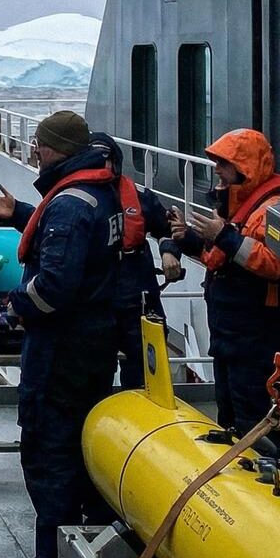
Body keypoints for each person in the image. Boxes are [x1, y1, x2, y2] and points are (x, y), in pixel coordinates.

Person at [0, 110, 120, 558]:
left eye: (38, 145)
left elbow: (55, 284)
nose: (34, 152)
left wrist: (17, 306)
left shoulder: (71, 204)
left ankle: (53, 550)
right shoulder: (101, 192)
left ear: (54, 149)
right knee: (86, 455)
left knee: (50, 461)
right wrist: (19, 212)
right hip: (93, 349)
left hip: (60, 357)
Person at [172, 128, 280, 461]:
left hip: (260, 335)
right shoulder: (240, 206)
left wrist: (224, 237)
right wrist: (191, 240)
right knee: (230, 406)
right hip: (232, 332)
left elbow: (275, 263)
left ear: (245, 167)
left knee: (257, 414)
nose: (216, 169)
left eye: (223, 163)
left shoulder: (275, 208)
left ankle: (275, 471)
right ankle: (239, 468)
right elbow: (224, 258)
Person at [87, 133, 185, 389]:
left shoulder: (141, 198)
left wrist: (169, 251)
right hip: (97, 300)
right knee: (92, 376)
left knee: (145, 373)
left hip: (138, 296)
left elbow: (168, 228)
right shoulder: (76, 201)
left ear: (116, 162)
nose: (102, 166)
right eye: (94, 160)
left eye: (106, 160)